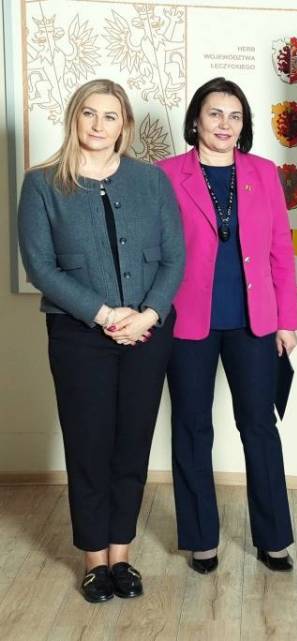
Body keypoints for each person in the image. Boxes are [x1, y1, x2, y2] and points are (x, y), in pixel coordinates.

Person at [17, 79, 185, 603]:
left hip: (148, 332)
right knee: (88, 445)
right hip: (78, 334)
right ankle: (94, 561)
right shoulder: (42, 184)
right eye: (89, 113)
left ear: (124, 125)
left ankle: (121, 555)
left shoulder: (151, 181)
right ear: (75, 117)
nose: (98, 125)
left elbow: (174, 256)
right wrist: (105, 314)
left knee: (132, 444)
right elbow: (40, 267)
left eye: (110, 116)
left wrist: (149, 314)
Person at [157, 77, 297, 575]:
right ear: (196, 120)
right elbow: (156, 250)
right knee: (191, 427)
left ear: (244, 125)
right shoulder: (166, 174)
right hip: (186, 322)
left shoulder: (264, 173)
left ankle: (274, 538)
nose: (225, 124)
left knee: (259, 426)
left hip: (254, 323)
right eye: (215, 113)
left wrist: (287, 321)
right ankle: (201, 539)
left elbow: (280, 251)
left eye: (235, 116)